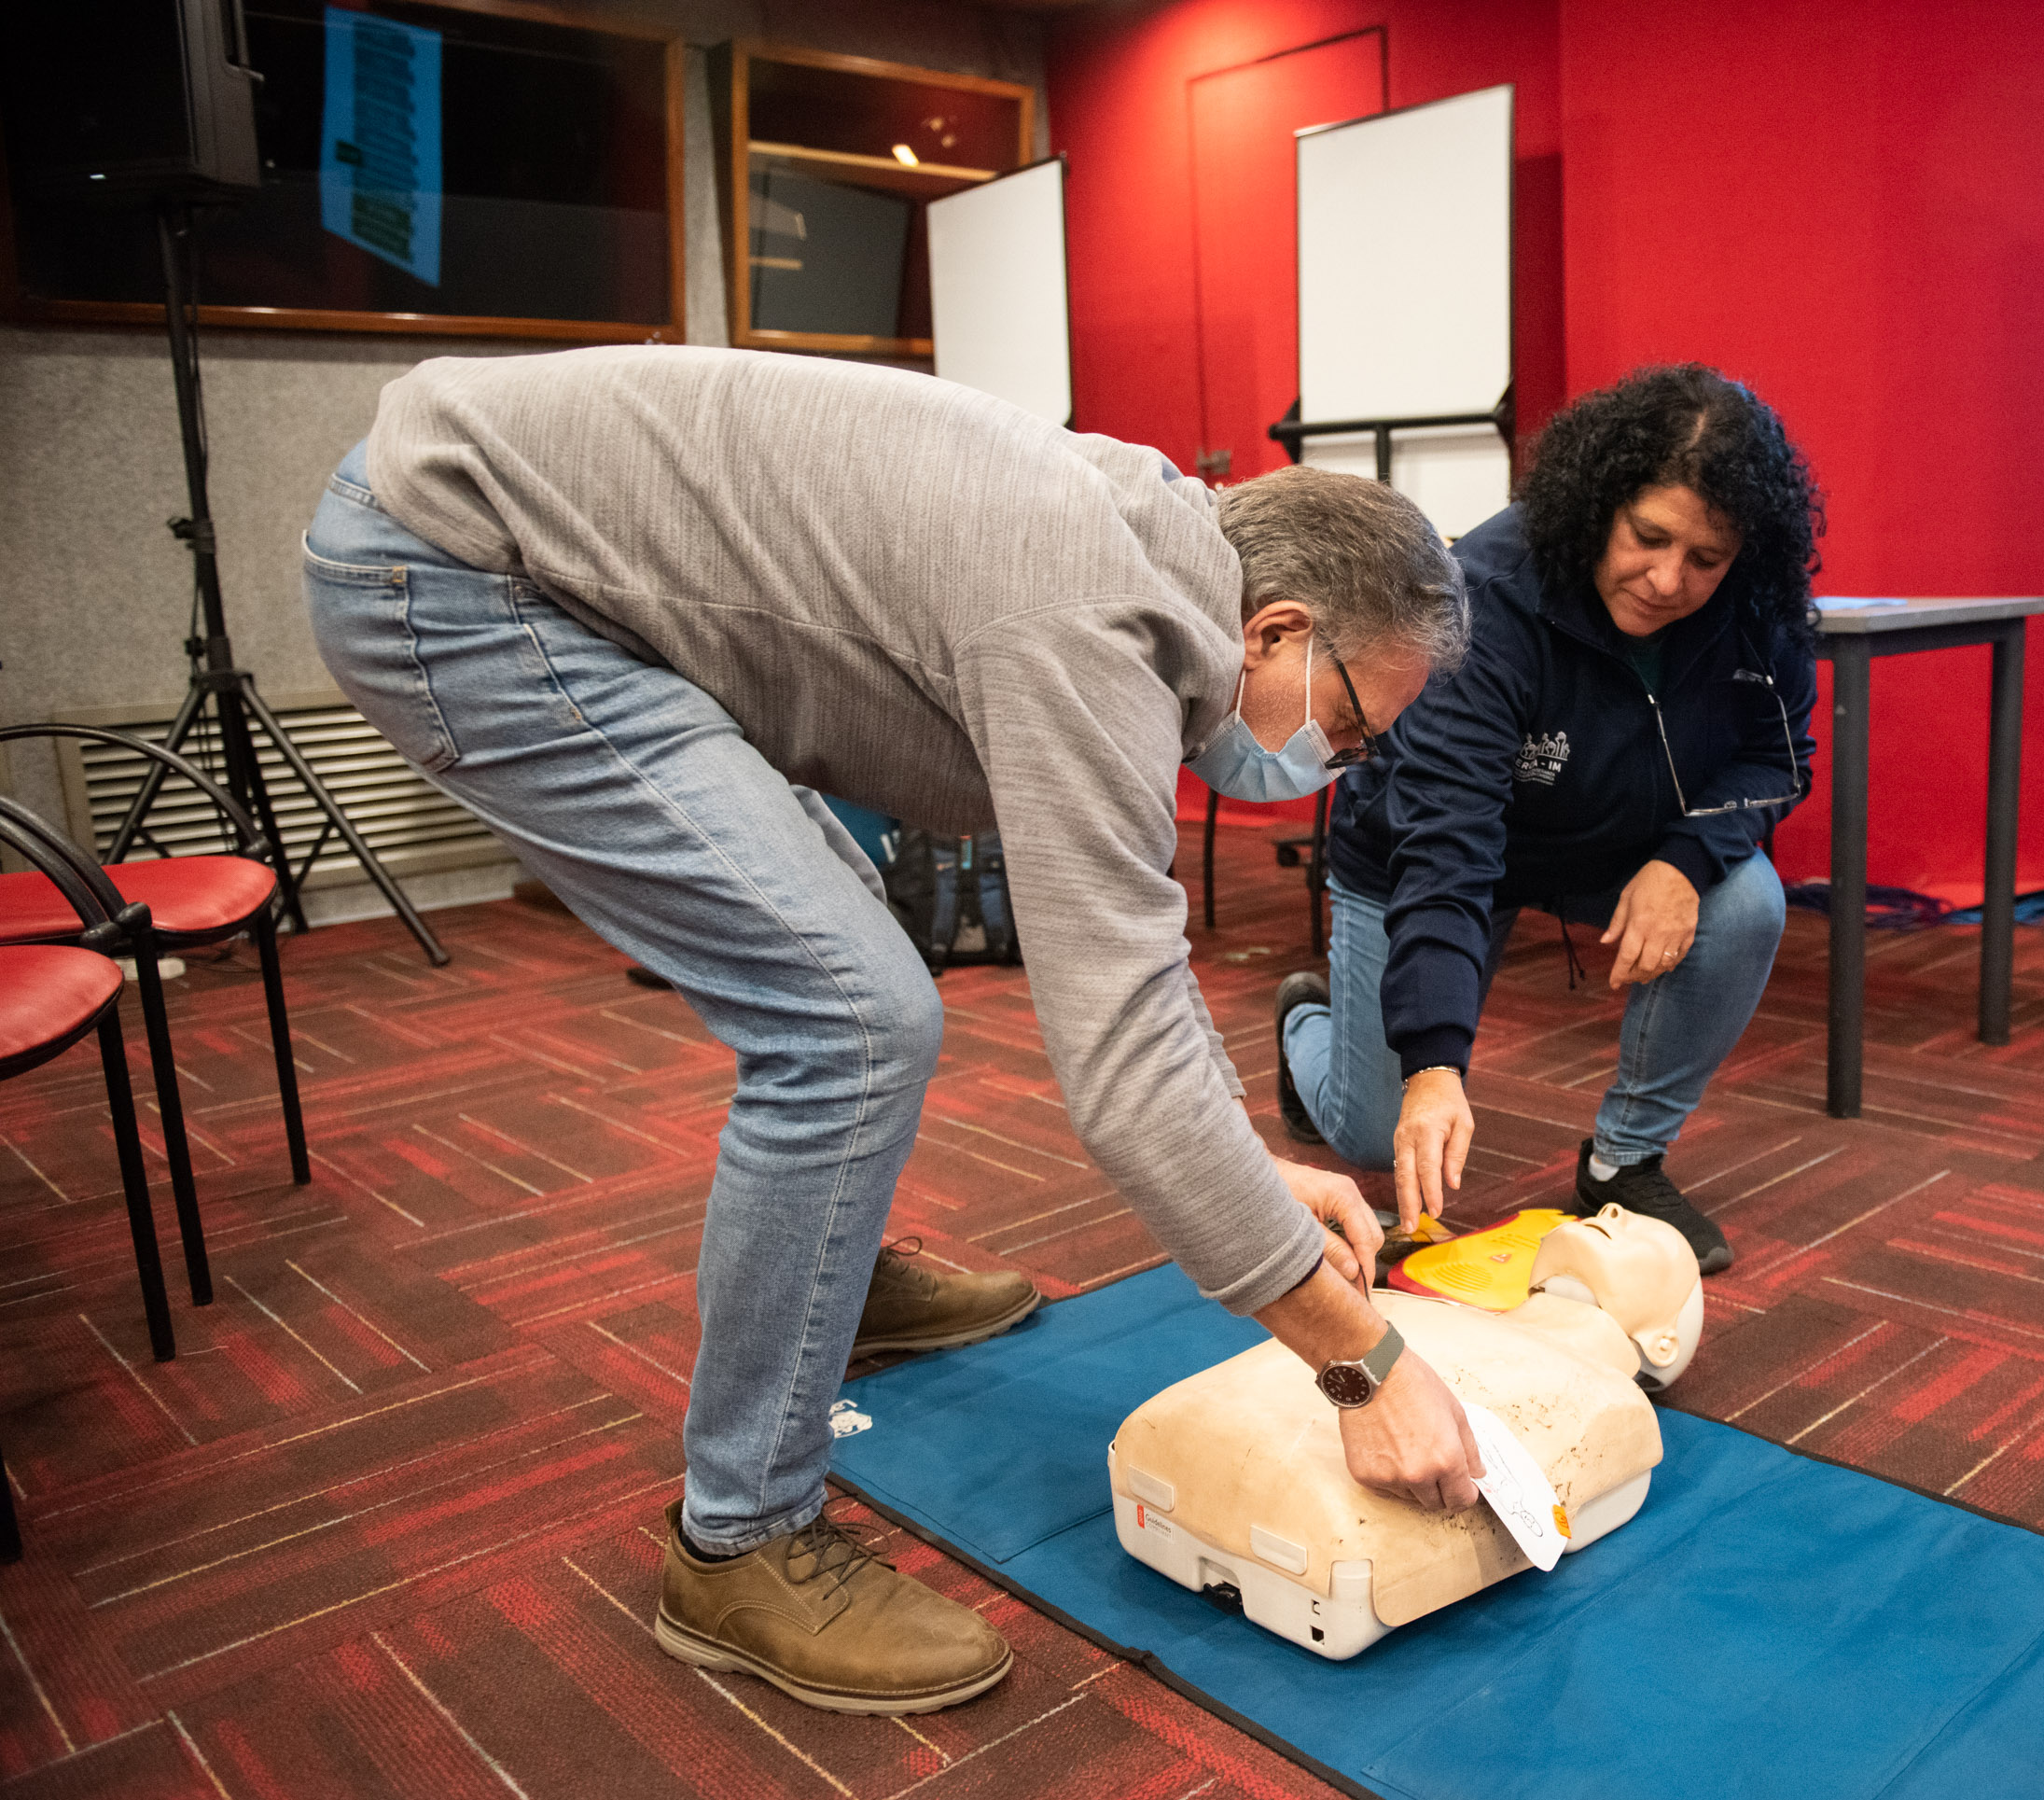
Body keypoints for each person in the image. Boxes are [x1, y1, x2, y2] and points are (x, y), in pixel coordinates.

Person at [300, 346, 1483, 1719]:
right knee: (847, 1014)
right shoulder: (1090, 619)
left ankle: (829, 1276)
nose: (1329, 766)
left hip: (529, 544)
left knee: (845, 947)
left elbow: (1130, 972)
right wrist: (1362, 1361)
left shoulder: (1155, 550)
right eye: (1345, 724)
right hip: (453, 570)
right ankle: (736, 1539)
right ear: (1272, 631)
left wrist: (1245, 1168)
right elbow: (1122, 1050)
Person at [1273, 366, 1822, 1273]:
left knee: (1747, 899)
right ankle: (1308, 1022)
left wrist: (1686, 860)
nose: (1667, 579)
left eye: (1705, 559)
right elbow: (1446, 845)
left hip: (1613, 843)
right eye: (1648, 537)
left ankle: (1623, 1161)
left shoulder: (1756, 608)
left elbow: (1778, 757)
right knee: (1375, 1133)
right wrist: (1433, 1067)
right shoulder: (1483, 598)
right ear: (1601, 500)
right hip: (1424, 847)